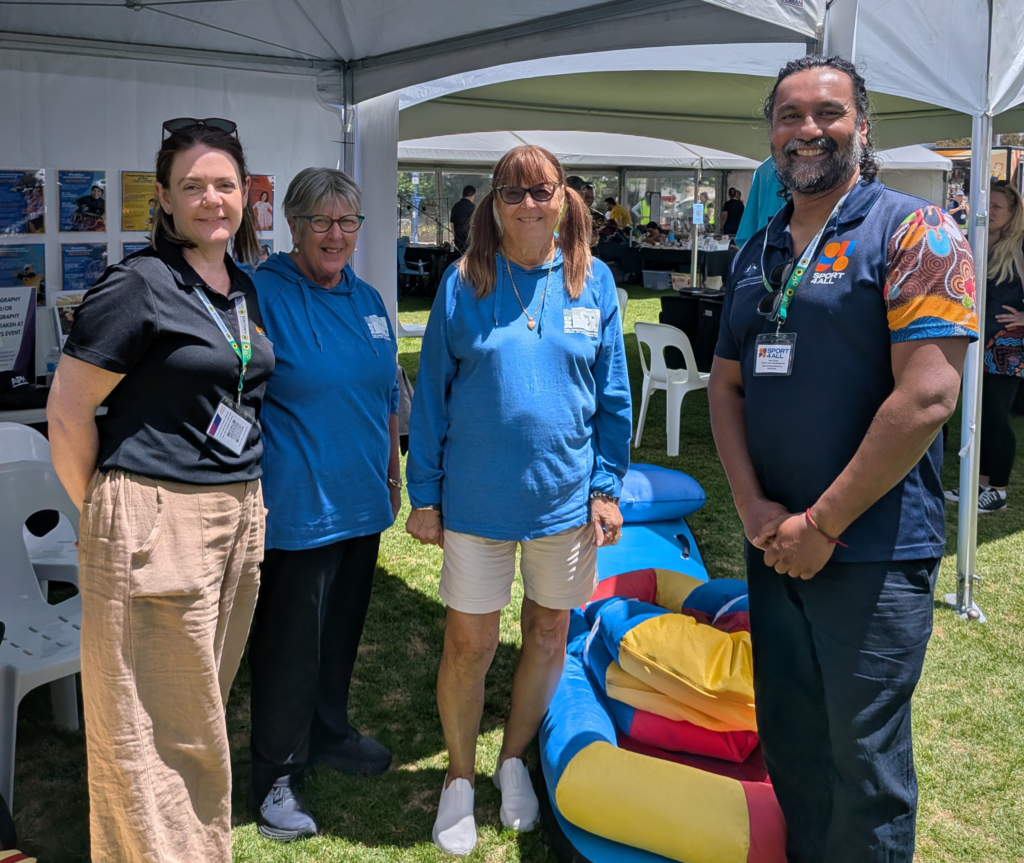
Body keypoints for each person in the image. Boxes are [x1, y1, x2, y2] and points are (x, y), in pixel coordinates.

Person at [708, 55, 977, 863]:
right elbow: (726, 388)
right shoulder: (756, 250)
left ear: (863, 127)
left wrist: (821, 523)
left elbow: (928, 395)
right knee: (791, 741)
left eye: (827, 113)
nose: (807, 130)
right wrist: (755, 510)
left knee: (863, 762)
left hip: (870, 551)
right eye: (789, 117)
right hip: (773, 547)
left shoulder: (916, 231)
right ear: (771, 135)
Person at [47, 117, 273, 862]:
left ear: (245, 195)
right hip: (155, 513)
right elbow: (69, 412)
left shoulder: (239, 286)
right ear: (167, 202)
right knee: (145, 729)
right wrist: (112, 518)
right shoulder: (138, 282)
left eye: (225, 184)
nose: (212, 198)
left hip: (235, 513)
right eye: (193, 186)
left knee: (196, 713)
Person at [405, 144, 631, 856]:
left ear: (564, 198)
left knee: (546, 635)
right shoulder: (461, 283)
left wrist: (606, 485)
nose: (529, 205)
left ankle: (513, 761)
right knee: (468, 644)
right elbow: (433, 400)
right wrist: (425, 494)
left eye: (542, 192)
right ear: (492, 206)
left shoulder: (593, 282)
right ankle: (460, 777)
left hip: (564, 503)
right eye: (514, 193)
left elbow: (613, 398)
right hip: (475, 504)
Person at [246, 167, 400, 841]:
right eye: (321, 222)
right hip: (298, 508)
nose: (336, 235)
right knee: (288, 647)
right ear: (293, 225)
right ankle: (275, 772)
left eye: (348, 223)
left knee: (340, 632)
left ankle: (329, 731)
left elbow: (385, 391)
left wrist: (393, 470)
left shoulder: (368, 298)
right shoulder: (261, 293)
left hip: (362, 500)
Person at [945, 181, 1024, 513]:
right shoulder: (974, 240)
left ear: (1012, 213)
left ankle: (999, 491)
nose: (990, 212)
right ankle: (980, 485)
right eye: (986, 205)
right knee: (975, 416)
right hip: (974, 339)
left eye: (997, 207)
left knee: (994, 416)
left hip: (1006, 346)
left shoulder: (1020, 246)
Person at [734, 157, 786, 247]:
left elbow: (746, 234)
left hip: (769, 247)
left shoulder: (764, 169)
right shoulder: (765, 170)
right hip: (772, 247)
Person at [450, 185, 476, 253]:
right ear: (473, 195)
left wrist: (456, 238)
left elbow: (452, 225)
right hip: (470, 242)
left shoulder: (455, 207)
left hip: (458, 243)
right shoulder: (473, 208)